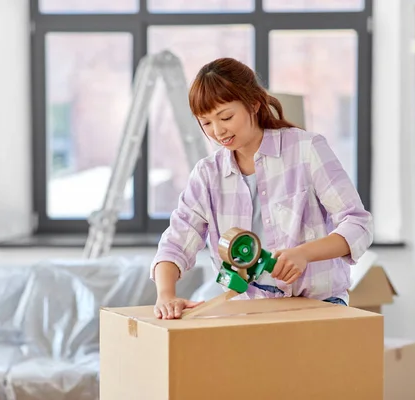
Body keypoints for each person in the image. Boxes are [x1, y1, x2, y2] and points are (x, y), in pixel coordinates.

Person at [150, 57, 374, 319]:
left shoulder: (306, 149)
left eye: (226, 117)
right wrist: (166, 295)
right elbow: (175, 243)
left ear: (254, 103)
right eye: (206, 122)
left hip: (318, 306)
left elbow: (358, 224)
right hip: (247, 311)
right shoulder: (207, 174)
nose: (218, 131)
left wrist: (304, 254)